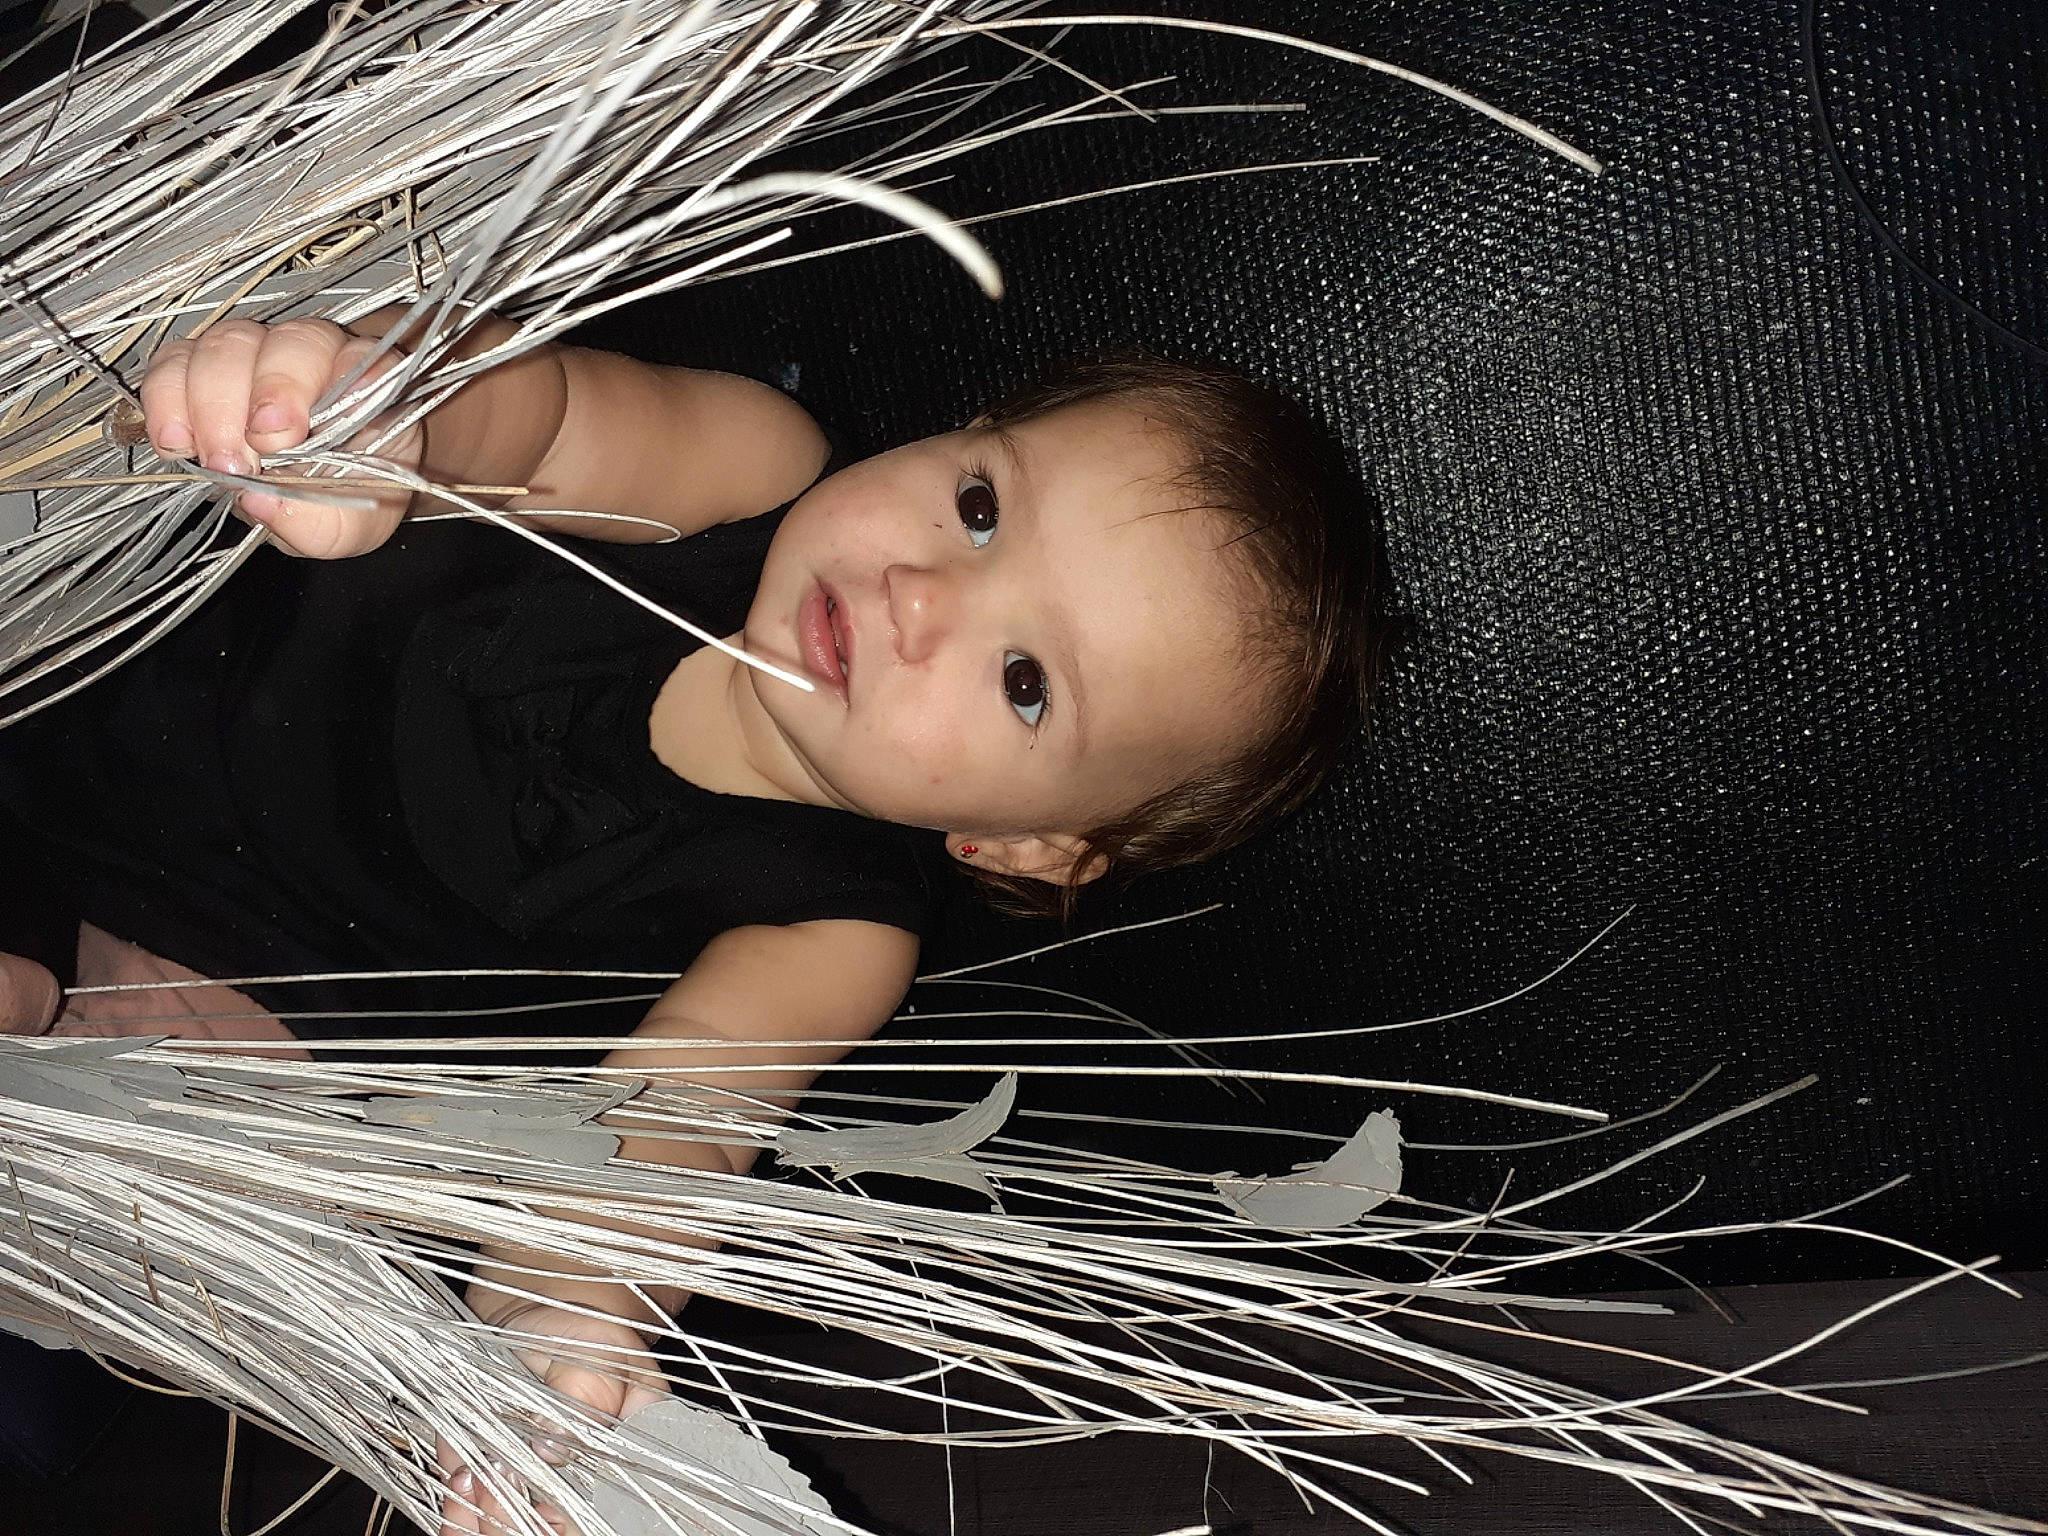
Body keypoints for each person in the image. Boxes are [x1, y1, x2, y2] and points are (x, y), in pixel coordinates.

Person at [0, 310, 1389, 1532]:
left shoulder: (834, 934)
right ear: (961, 434)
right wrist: (387, 412)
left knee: (220, 1176)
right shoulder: (748, 467)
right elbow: (539, 414)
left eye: (1024, 679)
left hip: (172, 996)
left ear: (1026, 842)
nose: (923, 597)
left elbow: (665, 1134)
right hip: (90, 629)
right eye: (979, 507)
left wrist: (563, 1311)